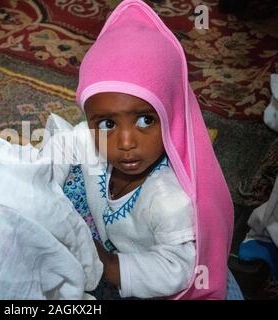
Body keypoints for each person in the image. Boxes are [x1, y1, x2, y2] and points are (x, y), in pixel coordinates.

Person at [42, 0, 234, 299]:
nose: (126, 142)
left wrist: (109, 265)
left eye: (145, 119)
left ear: (172, 115)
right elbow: (64, 145)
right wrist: (37, 182)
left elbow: (178, 269)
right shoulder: (92, 141)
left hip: (143, 278)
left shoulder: (169, 200)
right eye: (107, 123)